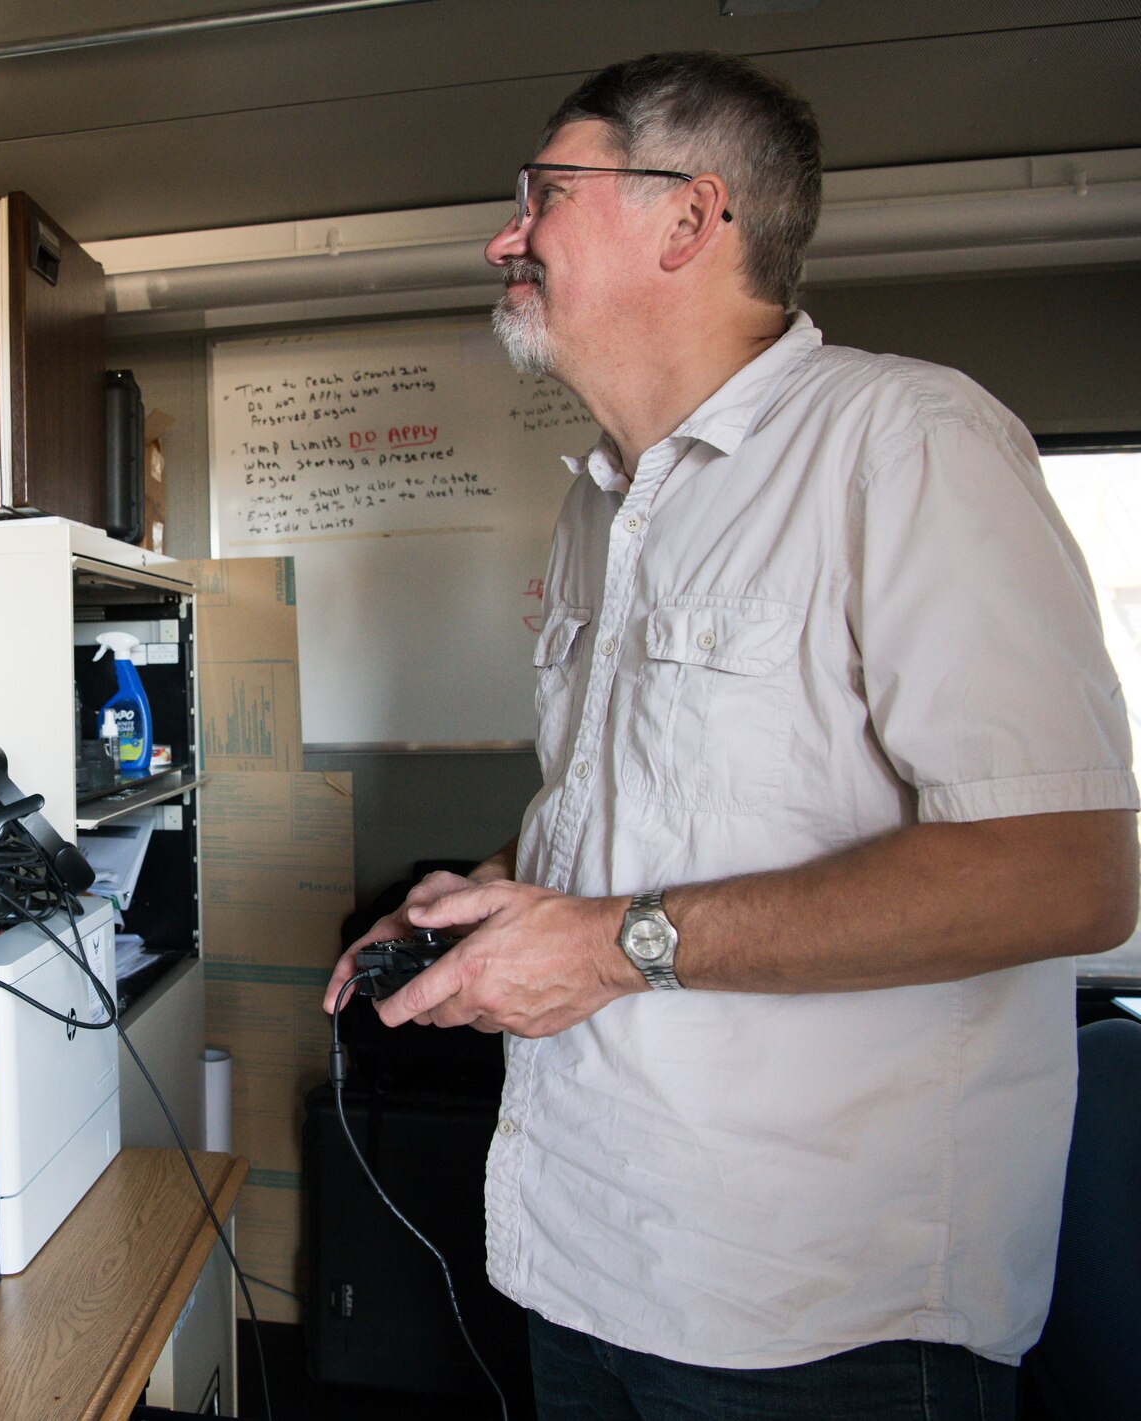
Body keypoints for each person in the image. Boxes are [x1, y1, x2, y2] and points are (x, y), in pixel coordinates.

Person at [321, 50, 1139, 1421]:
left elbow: (1065, 870)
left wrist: (607, 942)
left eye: (547, 192)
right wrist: (508, 898)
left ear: (692, 220)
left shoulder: (908, 441)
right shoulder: (597, 504)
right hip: (587, 1258)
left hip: (820, 1319)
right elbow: (647, 808)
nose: (504, 235)